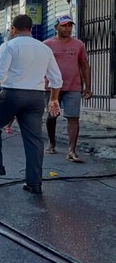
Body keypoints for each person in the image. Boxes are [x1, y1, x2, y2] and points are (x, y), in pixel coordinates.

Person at [0, 14, 62, 195]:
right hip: (36, 97)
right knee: (34, 139)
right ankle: (34, 183)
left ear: (14, 29)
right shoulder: (44, 48)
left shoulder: (9, 46)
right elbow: (56, 79)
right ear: (30, 29)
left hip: (13, 94)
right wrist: (54, 99)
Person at [43, 15, 92, 162]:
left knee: (73, 117)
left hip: (73, 86)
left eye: (70, 25)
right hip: (52, 88)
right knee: (52, 116)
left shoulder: (78, 45)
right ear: (56, 27)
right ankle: (51, 142)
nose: (67, 28)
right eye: (64, 25)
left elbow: (84, 65)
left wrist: (88, 86)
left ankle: (72, 150)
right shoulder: (47, 44)